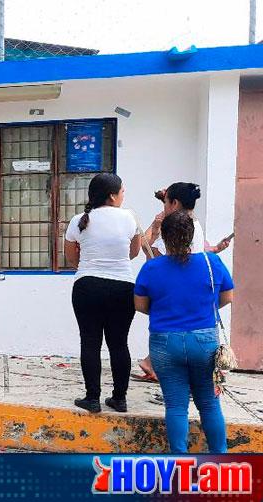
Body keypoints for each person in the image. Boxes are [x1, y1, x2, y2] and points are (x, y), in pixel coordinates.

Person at [134, 210, 232, 453]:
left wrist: (165, 310)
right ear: (191, 237)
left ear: (164, 238)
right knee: (209, 404)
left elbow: (140, 305)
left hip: (165, 342)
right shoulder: (212, 262)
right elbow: (226, 297)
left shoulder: (152, 268)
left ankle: (180, 462)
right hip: (204, 341)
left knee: (176, 406)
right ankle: (219, 459)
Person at [136, 182, 233, 382]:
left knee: (172, 328)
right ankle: (154, 363)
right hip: (192, 292)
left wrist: (154, 229)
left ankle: (154, 363)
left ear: (175, 203)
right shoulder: (193, 224)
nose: (163, 207)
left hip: (174, 286)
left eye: (165, 202)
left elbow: (148, 250)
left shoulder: (173, 227)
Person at [64, 173, 141, 414]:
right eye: (122, 192)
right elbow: (134, 252)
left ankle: (92, 398)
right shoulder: (129, 218)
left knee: (90, 342)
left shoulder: (79, 219)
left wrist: (90, 265)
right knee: (119, 344)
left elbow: (71, 257)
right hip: (122, 287)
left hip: (87, 285)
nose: (123, 196)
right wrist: (114, 260)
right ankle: (119, 399)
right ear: (112, 195)